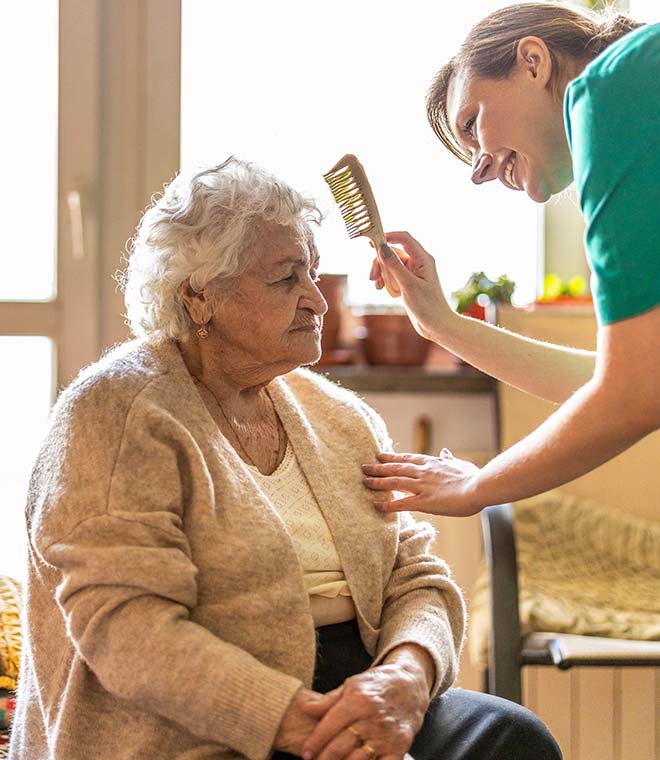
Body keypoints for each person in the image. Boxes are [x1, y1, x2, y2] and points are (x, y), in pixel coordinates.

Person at [9, 158, 560, 760]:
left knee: (511, 740)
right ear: (198, 297)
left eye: (315, 274)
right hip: (194, 721)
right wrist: (303, 725)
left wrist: (406, 677)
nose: (318, 302)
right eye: (286, 279)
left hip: (362, 691)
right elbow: (127, 630)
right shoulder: (117, 410)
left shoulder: (338, 417)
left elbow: (415, 577)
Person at [362, 2, 660, 518]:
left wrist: (475, 488)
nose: (480, 171)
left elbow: (633, 393)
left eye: (473, 122)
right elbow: (626, 375)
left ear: (532, 61)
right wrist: (440, 325)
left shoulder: (612, 93)